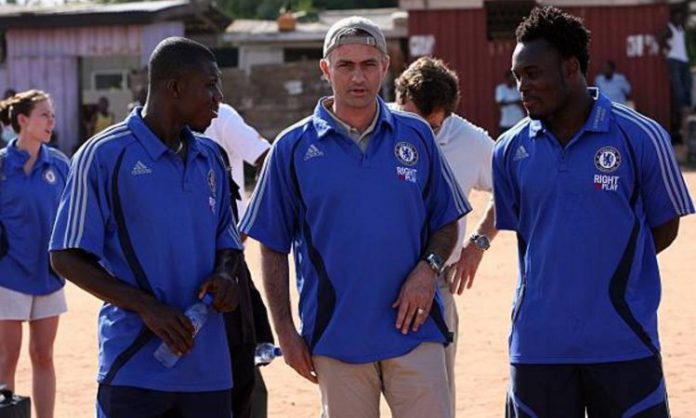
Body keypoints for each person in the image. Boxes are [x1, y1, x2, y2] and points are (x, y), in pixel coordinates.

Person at [240, 16, 470, 418]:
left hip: (417, 331)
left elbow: (446, 219)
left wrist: (428, 269)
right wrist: (286, 332)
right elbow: (272, 246)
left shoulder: (415, 135)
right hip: (336, 339)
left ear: (385, 67)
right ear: (326, 69)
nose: (358, 77)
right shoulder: (291, 149)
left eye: (368, 64)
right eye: (346, 65)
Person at [496, 6, 695, 417]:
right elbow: (532, 236)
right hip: (538, 348)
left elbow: (665, 226)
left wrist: (609, 266)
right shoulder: (509, 150)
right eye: (518, 77)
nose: (522, 88)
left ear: (570, 68)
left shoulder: (641, 136)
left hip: (623, 340)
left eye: (532, 74)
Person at [49, 37, 244, 418]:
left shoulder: (211, 158)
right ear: (175, 88)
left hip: (209, 370)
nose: (218, 97)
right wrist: (146, 307)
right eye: (209, 84)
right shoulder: (103, 155)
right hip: (133, 366)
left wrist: (225, 277)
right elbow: (65, 256)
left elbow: (228, 241)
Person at [393, 56, 498, 417]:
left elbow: (512, 190)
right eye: (412, 121)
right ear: (398, 100)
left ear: (447, 115)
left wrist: (478, 244)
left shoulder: (471, 141)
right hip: (370, 281)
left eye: (432, 127)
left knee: (434, 396)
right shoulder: (374, 129)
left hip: (436, 287)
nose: (421, 133)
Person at [201, 103, 274, 418]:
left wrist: (245, 220)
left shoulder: (222, 116)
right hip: (179, 263)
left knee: (239, 357)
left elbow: (267, 160)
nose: (214, 94)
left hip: (225, 259)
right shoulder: (159, 134)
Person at [0, 90, 69, 418]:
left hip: (49, 275)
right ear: (23, 120)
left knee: (43, 355)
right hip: (7, 274)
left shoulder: (59, 164)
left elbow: (77, 212)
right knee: (5, 358)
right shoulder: (0, 165)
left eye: (52, 115)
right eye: (44, 114)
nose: (51, 120)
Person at [205, 103, 271, 215]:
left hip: (229, 226)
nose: (218, 95)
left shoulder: (221, 116)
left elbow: (267, 157)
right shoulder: (166, 126)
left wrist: (254, 217)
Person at [659, 5, 691, 144]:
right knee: (678, 86)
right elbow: (660, 39)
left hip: (683, 60)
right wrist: (666, 50)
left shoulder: (680, 28)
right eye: (677, 16)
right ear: (672, 18)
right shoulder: (670, 28)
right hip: (674, 59)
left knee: (687, 84)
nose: (680, 18)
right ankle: (682, 107)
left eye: (681, 16)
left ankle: (687, 105)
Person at [495, 70, 525, 136]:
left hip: (519, 120)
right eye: (511, 78)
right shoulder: (501, 89)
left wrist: (508, 102)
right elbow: (500, 103)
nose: (513, 80)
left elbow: (523, 101)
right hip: (506, 122)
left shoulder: (518, 89)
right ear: (507, 78)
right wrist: (515, 102)